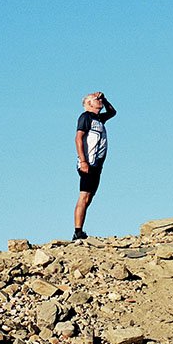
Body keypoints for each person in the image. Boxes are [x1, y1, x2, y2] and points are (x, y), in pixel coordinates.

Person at [73, 91, 116, 240]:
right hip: (88, 163)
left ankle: (80, 230)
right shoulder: (85, 117)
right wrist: (83, 161)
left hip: (97, 164)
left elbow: (112, 112)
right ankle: (77, 231)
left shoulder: (99, 118)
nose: (99, 101)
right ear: (88, 104)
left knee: (89, 197)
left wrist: (105, 97)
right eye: (96, 99)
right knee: (84, 196)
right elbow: (78, 138)